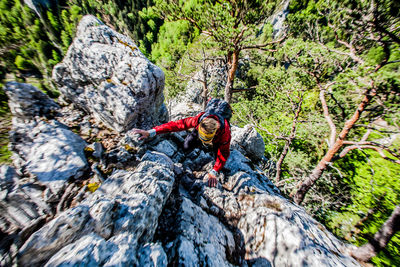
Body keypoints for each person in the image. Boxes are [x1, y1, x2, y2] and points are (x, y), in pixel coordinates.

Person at [131, 111, 231, 187]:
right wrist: (151, 132)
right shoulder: (199, 120)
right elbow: (176, 125)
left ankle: (210, 146)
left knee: (216, 151)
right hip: (202, 131)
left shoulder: (224, 133)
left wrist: (214, 171)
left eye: (206, 140)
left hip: (216, 137)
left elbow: (224, 152)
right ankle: (200, 139)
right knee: (186, 146)